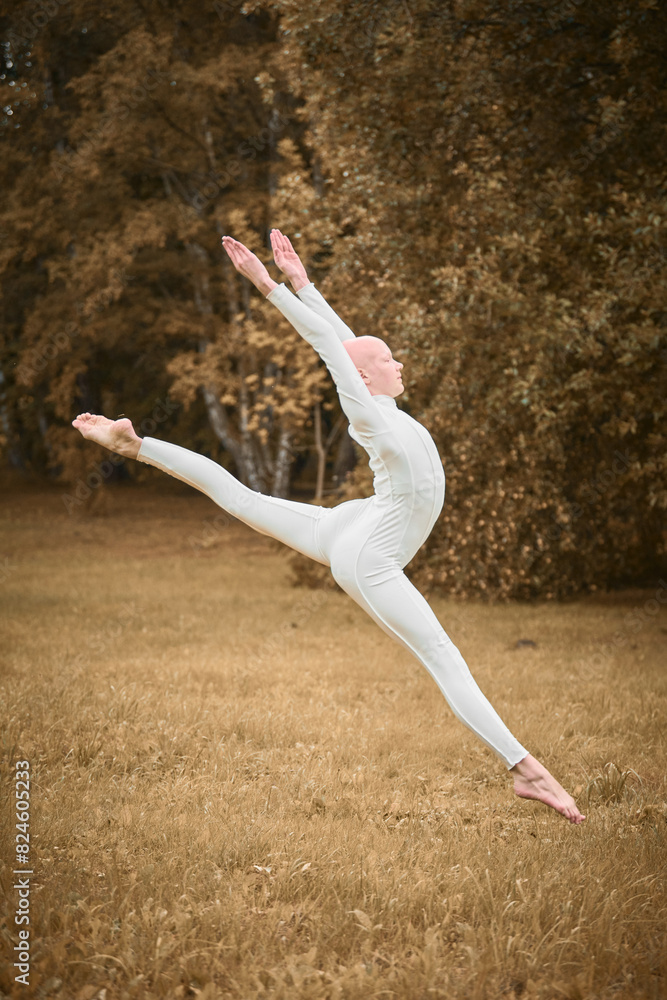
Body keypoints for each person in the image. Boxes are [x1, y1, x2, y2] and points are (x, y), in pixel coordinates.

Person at [72, 229, 585, 824]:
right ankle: (526, 770)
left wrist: (303, 283)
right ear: (366, 379)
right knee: (442, 654)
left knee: (243, 499)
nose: (399, 363)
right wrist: (267, 286)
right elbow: (335, 350)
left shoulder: (384, 405)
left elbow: (346, 342)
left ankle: (136, 446)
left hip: (354, 524)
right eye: (390, 359)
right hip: (370, 556)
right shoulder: (370, 414)